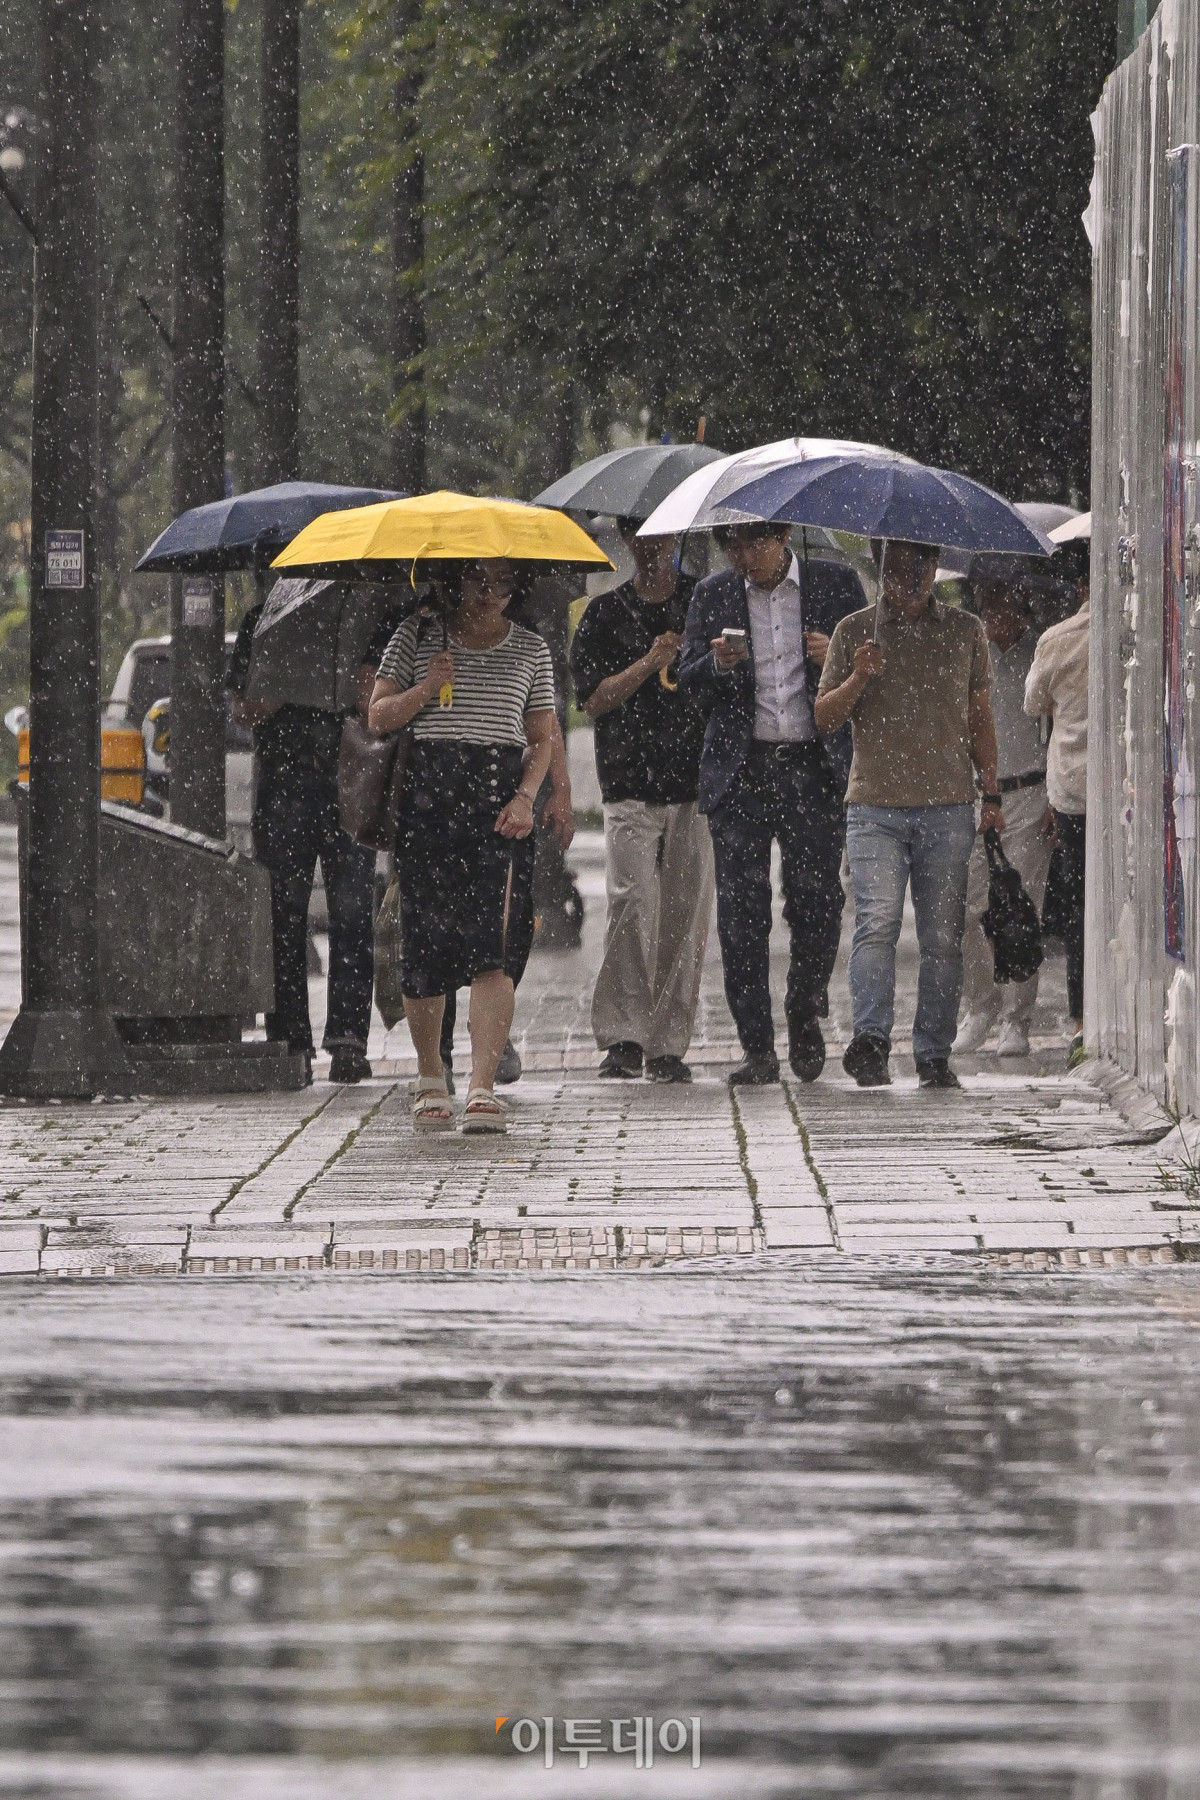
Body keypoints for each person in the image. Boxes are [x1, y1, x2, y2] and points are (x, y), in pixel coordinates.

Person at [369, 556, 557, 1133]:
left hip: (498, 804)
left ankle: (481, 1086)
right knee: (423, 945)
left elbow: (542, 736)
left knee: (493, 947)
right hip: (429, 802)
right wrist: (428, 684)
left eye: (501, 581)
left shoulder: (531, 648)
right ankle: (431, 1076)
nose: (488, 592)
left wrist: (527, 796)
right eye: (477, 579)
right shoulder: (417, 635)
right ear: (455, 581)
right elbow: (377, 716)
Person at [815, 540, 1004, 1090]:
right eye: (900, 565)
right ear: (881, 567)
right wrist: (858, 677)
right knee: (876, 923)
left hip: (947, 806)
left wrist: (990, 795)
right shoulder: (855, 630)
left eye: (923, 561)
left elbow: (980, 716)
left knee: (943, 935)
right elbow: (824, 717)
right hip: (874, 806)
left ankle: (933, 1051)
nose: (914, 574)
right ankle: (871, 1040)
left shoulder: (965, 630)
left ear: (936, 563)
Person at [678, 521, 859, 1084]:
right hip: (743, 770)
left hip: (813, 765)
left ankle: (804, 1007)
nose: (743, 557)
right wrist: (716, 664)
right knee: (741, 915)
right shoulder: (713, 594)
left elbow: (871, 672)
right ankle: (756, 1046)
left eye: (754, 544)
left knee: (818, 901)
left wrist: (839, 659)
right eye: (732, 545)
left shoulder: (836, 585)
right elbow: (686, 681)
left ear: (784, 537)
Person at [227, 592, 393, 1086]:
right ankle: (291, 1039)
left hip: (348, 781)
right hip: (283, 788)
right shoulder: (262, 620)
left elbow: (373, 698)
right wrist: (284, 682)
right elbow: (243, 707)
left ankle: (348, 1042)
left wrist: (351, 684)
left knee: (351, 914)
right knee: (284, 915)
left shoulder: (363, 614)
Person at [570, 520, 713, 1082]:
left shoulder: (704, 603)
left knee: (687, 913)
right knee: (632, 904)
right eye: (643, 536)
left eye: (664, 535)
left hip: (695, 783)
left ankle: (669, 1043)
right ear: (629, 542)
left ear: (677, 540)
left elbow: (725, 682)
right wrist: (649, 662)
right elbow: (595, 700)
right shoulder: (605, 615)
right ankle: (624, 1035)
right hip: (629, 781)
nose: (654, 546)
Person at [955, 567, 1052, 1058]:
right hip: (974, 794)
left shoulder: (1042, 650)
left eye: (1003, 599)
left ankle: (1018, 1017)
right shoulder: (968, 654)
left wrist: (1055, 794)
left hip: (1030, 791)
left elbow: (1056, 724)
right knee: (967, 905)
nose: (995, 611)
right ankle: (982, 1003)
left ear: (1022, 601)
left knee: (1022, 908)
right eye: (986, 600)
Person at [1024, 540, 1090, 1067]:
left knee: (1080, 907)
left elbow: (1033, 703)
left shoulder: (1058, 639)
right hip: (1130, 788)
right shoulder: (1144, 630)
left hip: (1073, 790)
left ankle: (1082, 1019)